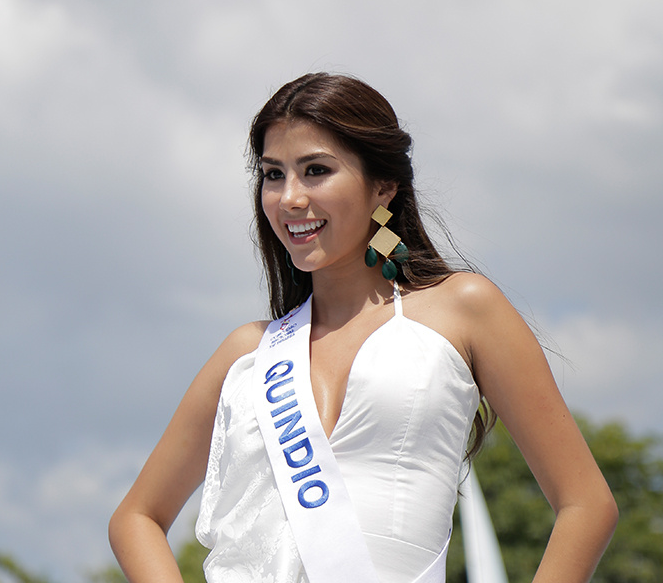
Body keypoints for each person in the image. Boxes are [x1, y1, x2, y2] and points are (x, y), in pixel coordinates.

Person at [109, 73, 618, 583]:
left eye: (315, 170)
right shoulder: (248, 353)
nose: (289, 198)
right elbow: (136, 518)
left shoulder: (462, 310)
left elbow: (586, 504)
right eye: (272, 174)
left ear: (383, 186)